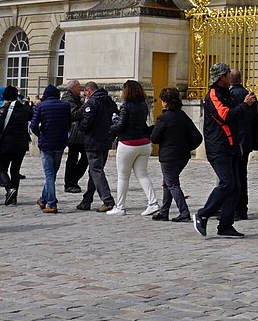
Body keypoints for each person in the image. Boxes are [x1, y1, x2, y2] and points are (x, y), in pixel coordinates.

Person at [194, 64, 253, 237]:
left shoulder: (227, 93)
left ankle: (225, 225)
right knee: (227, 183)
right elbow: (225, 116)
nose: (230, 77)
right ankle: (203, 214)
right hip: (218, 147)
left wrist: (237, 142)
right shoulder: (213, 94)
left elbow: (235, 119)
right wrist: (245, 104)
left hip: (231, 145)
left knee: (235, 187)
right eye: (228, 74)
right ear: (222, 77)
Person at [152, 86, 202, 223]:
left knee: (172, 184)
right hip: (183, 155)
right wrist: (188, 148)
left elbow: (154, 138)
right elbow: (197, 137)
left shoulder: (163, 118)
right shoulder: (183, 116)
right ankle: (164, 212)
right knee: (167, 182)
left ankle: (184, 212)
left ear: (166, 102)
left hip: (169, 156)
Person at [108, 79, 158, 217]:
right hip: (144, 142)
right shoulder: (143, 105)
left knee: (123, 177)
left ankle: (120, 207)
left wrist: (112, 124)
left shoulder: (126, 106)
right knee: (142, 175)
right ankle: (153, 203)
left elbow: (121, 125)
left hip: (128, 143)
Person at [29, 84, 72, 214]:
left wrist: (41, 135)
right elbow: (68, 124)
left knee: (49, 173)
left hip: (46, 143)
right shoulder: (65, 106)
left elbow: (33, 126)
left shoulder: (41, 106)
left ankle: (52, 203)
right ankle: (43, 199)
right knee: (52, 173)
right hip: (60, 142)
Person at [0, 85, 32, 205]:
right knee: (15, 170)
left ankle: (9, 189)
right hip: (21, 144)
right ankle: (13, 197)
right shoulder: (25, 109)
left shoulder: (3, 110)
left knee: (1, 169)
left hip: (6, 144)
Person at [75, 82, 116, 213]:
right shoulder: (108, 100)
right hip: (106, 140)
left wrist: (80, 127)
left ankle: (108, 200)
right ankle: (86, 200)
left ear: (88, 91)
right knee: (94, 171)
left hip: (93, 140)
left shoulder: (92, 103)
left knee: (96, 170)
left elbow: (86, 122)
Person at [228, 67, 258, 220]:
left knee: (234, 175)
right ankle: (243, 208)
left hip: (234, 141)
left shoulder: (230, 96)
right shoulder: (249, 95)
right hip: (247, 140)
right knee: (242, 174)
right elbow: (256, 116)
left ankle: (234, 208)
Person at [61, 80, 87, 194]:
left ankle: (73, 180)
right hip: (74, 133)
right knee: (73, 158)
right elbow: (74, 114)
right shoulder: (68, 99)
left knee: (84, 157)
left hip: (79, 133)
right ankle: (70, 183)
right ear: (72, 88)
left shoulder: (75, 98)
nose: (80, 90)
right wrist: (85, 105)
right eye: (78, 87)